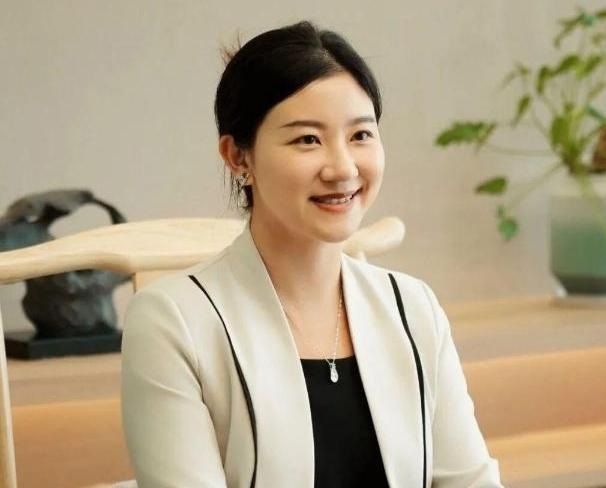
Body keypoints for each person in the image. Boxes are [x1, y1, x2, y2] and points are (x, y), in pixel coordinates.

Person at [120, 20, 504, 488]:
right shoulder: (173, 321)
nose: (342, 168)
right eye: (307, 139)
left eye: (360, 135)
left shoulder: (413, 307)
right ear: (238, 157)